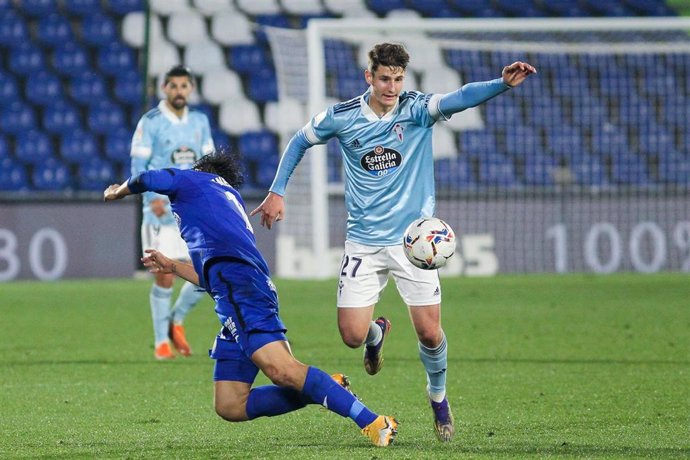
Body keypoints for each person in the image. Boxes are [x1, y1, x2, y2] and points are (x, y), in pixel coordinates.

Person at [251, 42, 537, 442]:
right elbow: (300, 140)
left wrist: (501, 84)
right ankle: (376, 335)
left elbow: (460, 97)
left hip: (414, 243)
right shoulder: (343, 117)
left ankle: (437, 397)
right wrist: (277, 190)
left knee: (429, 333)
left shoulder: (417, 108)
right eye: (385, 78)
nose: (392, 86)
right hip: (364, 243)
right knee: (351, 335)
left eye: (398, 79)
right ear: (369, 76)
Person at [103, 152, 399, 446]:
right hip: (238, 290)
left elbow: (154, 177)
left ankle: (373, 421)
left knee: (283, 370)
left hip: (241, 290)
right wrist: (173, 266)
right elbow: (212, 277)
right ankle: (325, 388)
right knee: (231, 404)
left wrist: (121, 189)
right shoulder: (227, 201)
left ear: (201, 170)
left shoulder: (195, 180)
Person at [130, 65, 216, 360]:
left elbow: (208, 163)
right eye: (173, 86)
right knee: (164, 276)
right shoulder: (151, 122)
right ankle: (160, 344)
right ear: (164, 88)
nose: (179, 91)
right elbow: (138, 166)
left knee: (203, 273)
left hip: (192, 207)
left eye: (184, 86)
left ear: (190, 89)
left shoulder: (200, 121)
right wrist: (151, 194)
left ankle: (174, 320)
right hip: (160, 210)